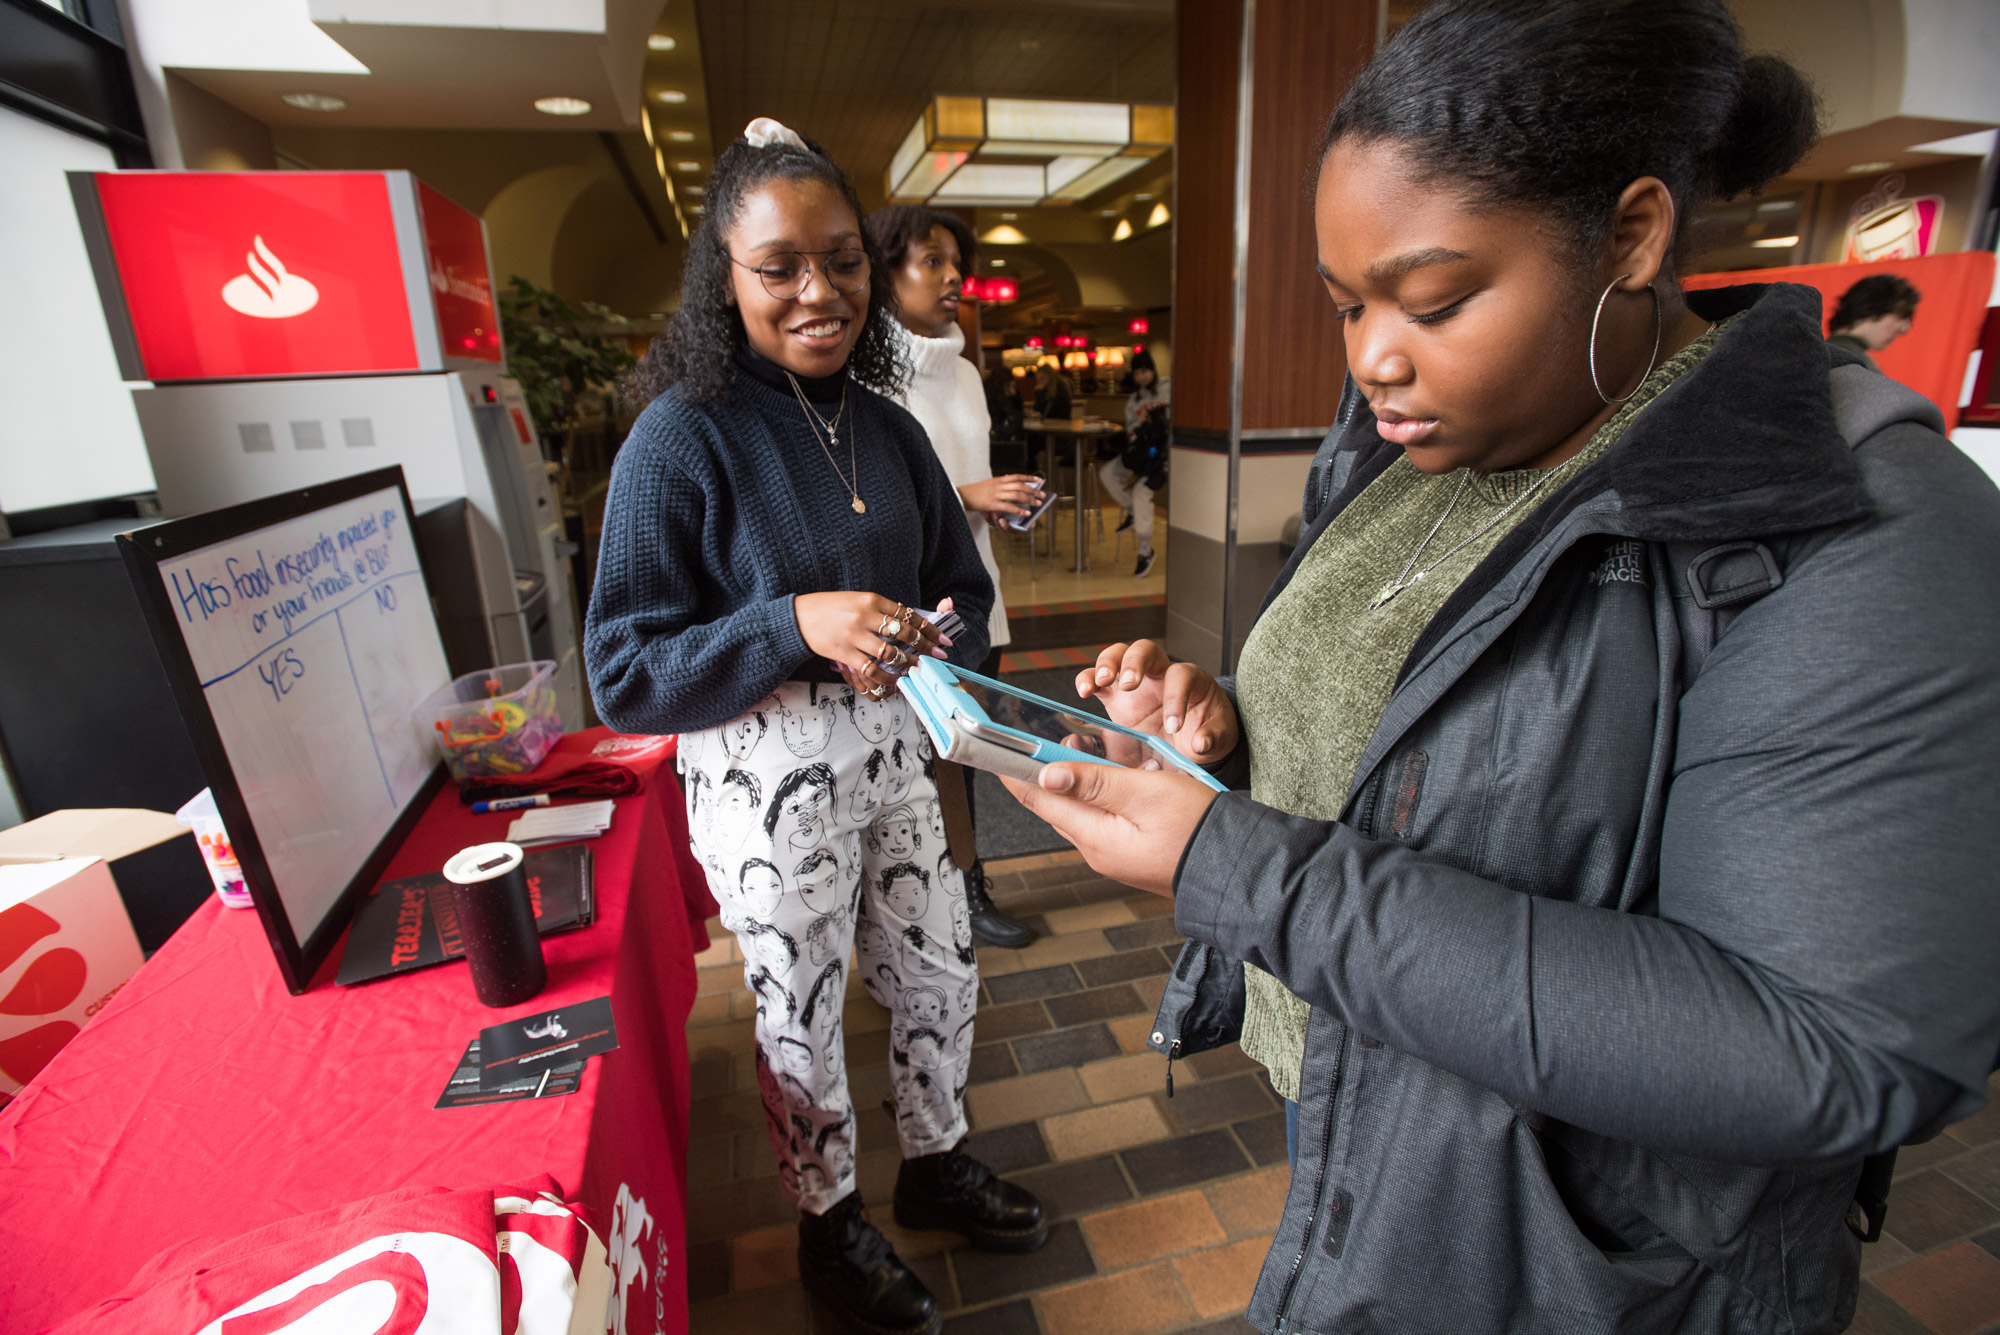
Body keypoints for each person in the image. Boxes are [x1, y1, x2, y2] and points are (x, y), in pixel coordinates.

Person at [998, 3, 2000, 1331]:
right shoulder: (1412, 443)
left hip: (1596, 1253)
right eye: (1348, 304)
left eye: (1436, 299)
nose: (1373, 359)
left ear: (1634, 237)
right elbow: (1424, 729)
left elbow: (1822, 1046)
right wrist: (1221, 737)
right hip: (1369, 1105)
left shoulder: (1853, 527)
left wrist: (1230, 863)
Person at [586, 117, 1045, 1335]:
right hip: (758, 775)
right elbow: (623, 673)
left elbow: (954, 583)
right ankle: (828, 1219)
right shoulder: (679, 438)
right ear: (722, 279)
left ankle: (934, 1161)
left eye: (841, 260)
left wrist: (954, 661)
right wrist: (792, 622)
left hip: (897, 756)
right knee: (796, 1007)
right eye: (777, 265)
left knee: (940, 968)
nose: (818, 292)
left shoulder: (888, 427)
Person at [866, 201, 1043, 949]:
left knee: (963, 750)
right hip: (909, 603)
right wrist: (968, 496)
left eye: (956, 266)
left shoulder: (966, 371)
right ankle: (909, 909)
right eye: (931, 261)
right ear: (884, 270)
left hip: (975, 589)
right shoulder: (866, 373)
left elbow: (956, 472)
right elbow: (878, 496)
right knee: (906, 764)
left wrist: (993, 501)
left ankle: (968, 894)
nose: (952, 279)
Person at [1100, 348, 1170, 577]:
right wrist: (1137, 428)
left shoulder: (1167, 388)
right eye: (1137, 373)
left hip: (1164, 457)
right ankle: (1131, 510)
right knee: (1108, 473)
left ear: (1152, 370)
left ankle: (1145, 550)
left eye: (1145, 371)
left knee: (1141, 492)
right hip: (1142, 452)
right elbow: (1131, 430)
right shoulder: (1134, 399)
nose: (1142, 376)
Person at [1828, 272, 1921, 371]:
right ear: (1868, 311)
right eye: (1902, 316)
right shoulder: (1855, 362)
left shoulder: (1823, 354)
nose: (1906, 328)